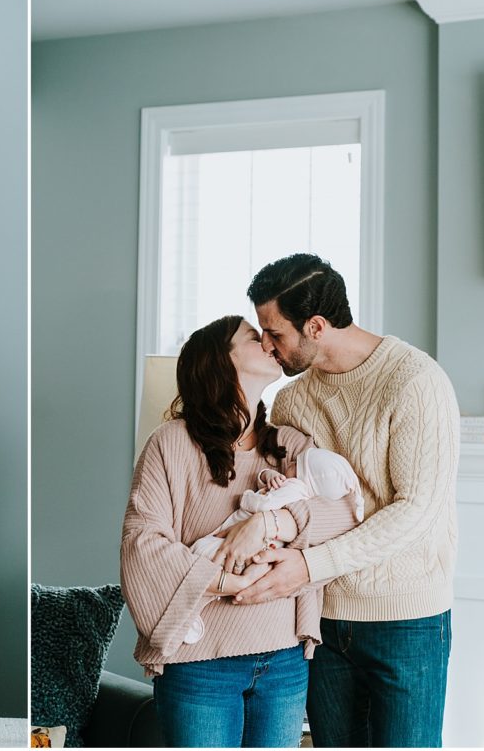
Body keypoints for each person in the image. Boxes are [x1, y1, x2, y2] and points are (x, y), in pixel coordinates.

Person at [235, 253, 460, 748]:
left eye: (276, 334)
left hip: (406, 620)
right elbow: (291, 497)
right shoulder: (293, 401)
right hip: (322, 621)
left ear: (316, 326)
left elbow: (415, 509)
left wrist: (310, 565)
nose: (267, 347)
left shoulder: (415, 383)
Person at [121, 315, 359, 747]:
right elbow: (144, 546)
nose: (269, 342)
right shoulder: (171, 443)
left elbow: (345, 512)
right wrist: (238, 582)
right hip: (200, 665)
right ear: (221, 362)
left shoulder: (288, 445)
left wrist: (269, 521)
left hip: (285, 660)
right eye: (254, 336)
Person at [184, 447, 363, 644]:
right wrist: (267, 476)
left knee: (200, 553)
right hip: (262, 555)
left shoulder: (294, 488)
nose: (289, 465)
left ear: (303, 476)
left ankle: (189, 614)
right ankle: (201, 608)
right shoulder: (304, 496)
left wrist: (247, 498)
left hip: (228, 543)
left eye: (295, 465)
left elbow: (262, 505)